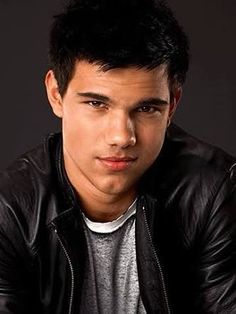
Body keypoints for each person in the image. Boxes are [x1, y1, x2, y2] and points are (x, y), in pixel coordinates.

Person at [0, 0, 236, 313]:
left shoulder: (215, 191)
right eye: (97, 104)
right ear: (56, 94)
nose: (122, 137)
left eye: (146, 108)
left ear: (173, 104)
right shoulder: (10, 211)